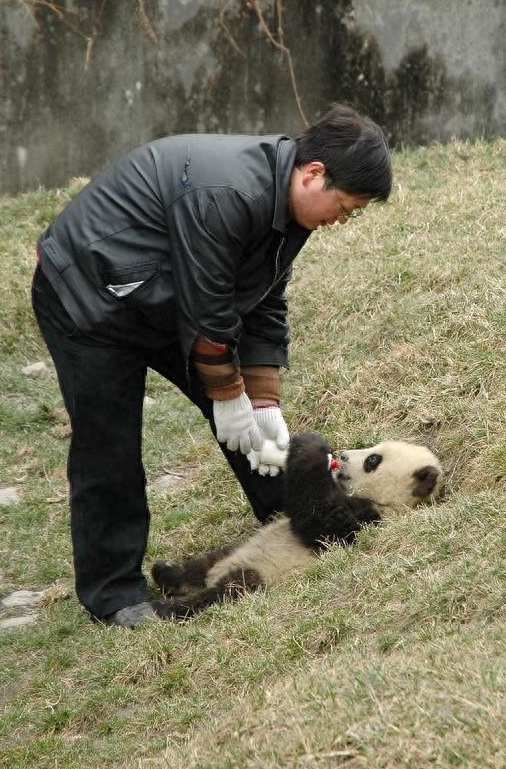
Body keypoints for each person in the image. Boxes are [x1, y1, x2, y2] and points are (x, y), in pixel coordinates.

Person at [31, 103, 392, 626]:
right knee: (108, 443)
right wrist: (226, 394)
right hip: (89, 294)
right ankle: (116, 596)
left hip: (161, 296)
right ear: (315, 174)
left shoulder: (289, 205)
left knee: (252, 423)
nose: (343, 220)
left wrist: (263, 400)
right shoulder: (229, 193)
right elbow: (207, 309)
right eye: (346, 207)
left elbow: (262, 299)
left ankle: (303, 519)